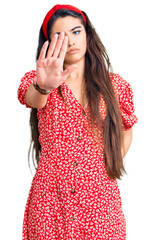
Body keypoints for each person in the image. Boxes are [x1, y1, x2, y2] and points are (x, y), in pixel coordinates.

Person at [17, 4, 138, 240]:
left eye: (76, 32)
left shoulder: (116, 86)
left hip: (100, 203)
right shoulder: (38, 81)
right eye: (60, 36)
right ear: (48, 44)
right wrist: (44, 86)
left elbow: (126, 128)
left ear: (87, 33)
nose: (71, 41)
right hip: (51, 202)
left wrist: (105, 165)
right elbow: (31, 98)